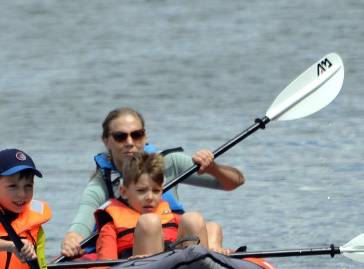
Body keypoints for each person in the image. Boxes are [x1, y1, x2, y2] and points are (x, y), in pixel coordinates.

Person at [61, 107, 245, 258]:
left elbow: (235, 182)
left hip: (176, 244)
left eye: (137, 134)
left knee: (198, 220)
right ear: (106, 141)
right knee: (149, 222)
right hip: (137, 255)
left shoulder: (169, 162)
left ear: (145, 137)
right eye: (120, 136)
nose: (130, 142)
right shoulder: (101, 185)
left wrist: (212, 167)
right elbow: (80, 227)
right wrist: (71, 240)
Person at [96, 151, 223, 259]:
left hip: (180, 268)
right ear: (124, 192)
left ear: (162, 191)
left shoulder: (172, 218)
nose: (150, 197)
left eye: (156, 191)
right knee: (149, 222)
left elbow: (206, 228)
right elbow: (106, 265)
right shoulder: (110, 228)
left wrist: (214, 244)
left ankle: (207, 263)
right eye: (141, 191)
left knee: (198, 220)